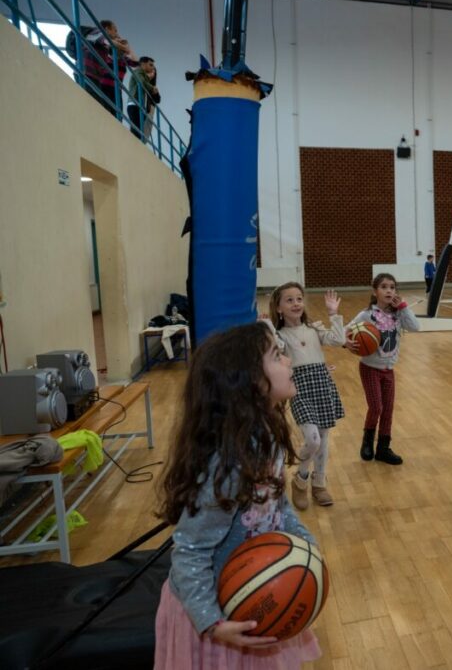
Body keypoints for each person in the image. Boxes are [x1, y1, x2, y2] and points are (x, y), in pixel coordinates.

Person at [154, 322, 321, 668]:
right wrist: (212, 622)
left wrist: (307, 548)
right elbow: (189, 550)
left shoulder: (266, 437)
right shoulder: (228, 464)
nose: (288, 360)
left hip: (252, 600)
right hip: (216, 616)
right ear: (250, 382)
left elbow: (278, 505)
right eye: (277, 355)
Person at [265, 283, 347, 509]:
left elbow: (339, 340)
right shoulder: (280, 335)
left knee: (324, 438)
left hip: (322, 384)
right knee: (313, 439)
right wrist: (268, 327)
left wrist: (334, 314)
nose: (296, 303)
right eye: (289, 300)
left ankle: (319, 483)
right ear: (278, 307)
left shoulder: (313, 329)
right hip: (299, 388)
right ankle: (300, 479)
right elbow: (277, 348)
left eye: (299, 299)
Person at [348, 273, 421, 465]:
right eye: (384, 287)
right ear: (375, 292)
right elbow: (347, 331)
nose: (389, 290)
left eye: (392, 287)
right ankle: (367, 441)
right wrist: (347, 343)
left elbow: (416, 327)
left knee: (388, 410)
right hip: (370, 368)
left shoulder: (399, 314)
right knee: (376, 407)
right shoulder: (366, 315)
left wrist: (403, 307)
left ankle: (383, 448)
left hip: (389, 370)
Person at [83, 20, 137, 117]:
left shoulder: (117, 55)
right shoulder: (97, 33)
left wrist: (127, 47)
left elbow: (135, 63)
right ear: (107, 29)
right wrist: (122, 46)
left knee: (116, 116)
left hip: (114, 88)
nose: (117, 34)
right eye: (115, 30)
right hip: (99, 82)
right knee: (100, 110)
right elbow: (107, 41)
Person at [127, 56, 158, 141]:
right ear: (143, 64)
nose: (152, 68)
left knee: (138, 131)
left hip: (139, 106)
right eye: (150, 65)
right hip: (134, 105)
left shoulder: (143, 75)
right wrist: (152, 88)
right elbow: (141, 82)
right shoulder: (138, 71)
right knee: (136, 131)